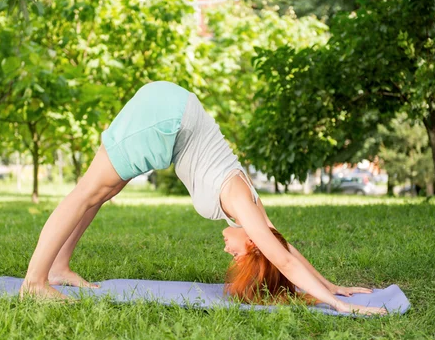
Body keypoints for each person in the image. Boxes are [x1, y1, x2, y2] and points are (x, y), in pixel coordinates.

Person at [20, 81, 387, 315]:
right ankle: (35, 282)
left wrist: (329, 285)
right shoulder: (243, 206)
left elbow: (285, 250)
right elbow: (284, 262)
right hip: (168, 117)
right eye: (239, 256)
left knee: (104, 189)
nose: (229, 253)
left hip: (173, 112)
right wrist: (342, 306)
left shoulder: (253, 215)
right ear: (253, 245)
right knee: (89, 191)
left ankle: (58, 268)